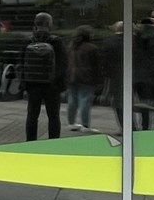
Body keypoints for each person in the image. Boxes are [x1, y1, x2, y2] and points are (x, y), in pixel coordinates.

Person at [21, 12, 67, 141]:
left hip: (33, 84)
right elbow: (63, 64)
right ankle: (53, 143)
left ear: (36, 24)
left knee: (32, 115)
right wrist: (59, 83)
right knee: (53, 116)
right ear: (50, 24)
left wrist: (24, 83)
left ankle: (30, 142)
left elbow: (21, 63)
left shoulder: (28, 41)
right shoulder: (56, 41)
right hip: (52, 86)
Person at [65, 25, 101, 131]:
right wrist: (99, 80)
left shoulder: (71, 46)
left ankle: (71, 122)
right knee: (84, 100)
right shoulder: (91, 48)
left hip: (72, 76)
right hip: (86, 77)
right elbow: (97, 65)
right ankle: (85, 125)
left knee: (72, 100)